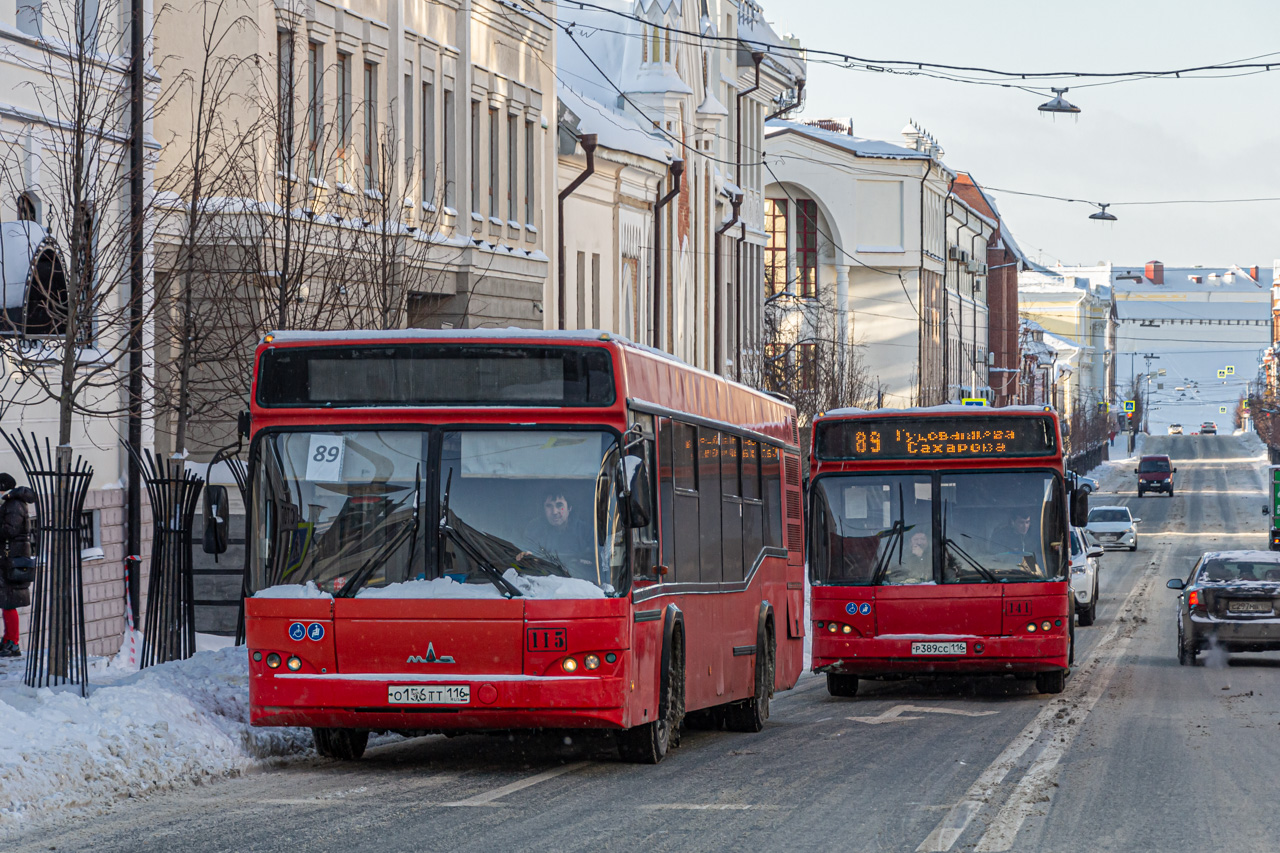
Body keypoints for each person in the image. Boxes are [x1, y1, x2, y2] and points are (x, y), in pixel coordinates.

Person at [0, 473, 36, 659]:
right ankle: (8, 640)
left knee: (9, 602)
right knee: (6, 602)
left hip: (12, 559)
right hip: (10, 557)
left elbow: (10, 530)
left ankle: (12, 642)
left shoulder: (13, 505)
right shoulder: (12, 503)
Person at [517, 492, 595, 578]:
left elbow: (593, 564)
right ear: (544, 509)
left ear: (569, 508)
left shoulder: (586, 532)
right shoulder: (534, 530)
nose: (554, 512)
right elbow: (526, 557)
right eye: (549, 506)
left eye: (559, 505)